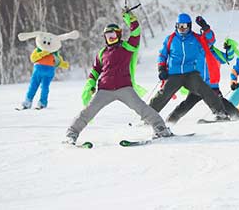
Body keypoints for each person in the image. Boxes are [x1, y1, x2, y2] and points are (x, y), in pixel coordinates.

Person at [64, 11, 172, 145]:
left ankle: (161, 128)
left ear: (118, 34)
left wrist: (130, 19)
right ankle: (71, 134)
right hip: (104, 89)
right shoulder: (102, 53)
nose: (110, 37)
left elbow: (136, 33)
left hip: (124, 88)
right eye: (107, 35)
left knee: (142, 109)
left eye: (113, 34)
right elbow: (96, 70)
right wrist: (91, 84)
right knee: (88, 112)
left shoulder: (126, 47)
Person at [149, 13, 229, 121]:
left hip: (190, 73)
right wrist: (161, 68)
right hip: (174, 74)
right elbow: (162, 55)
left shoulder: (196, 38)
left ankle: (221, 113)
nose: (182, 29)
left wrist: (205, 28)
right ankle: (148, 117)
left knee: (205, 89)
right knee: (163, 95)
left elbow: (210, 41)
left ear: (190, 26)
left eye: (185, 26)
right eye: (180, 26)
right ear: (176, 26)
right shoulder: (170, 39)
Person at [166, 17, 239, 124]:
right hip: (198, 85)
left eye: (208, 42)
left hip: (212, 85)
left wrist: (229, 49)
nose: (207, 44)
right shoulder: (195, 53)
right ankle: (171, 120)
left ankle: (237, 117)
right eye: (204, 42)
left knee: (221, 102)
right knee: (186, 104)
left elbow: (227, 58)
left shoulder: (214, 53)